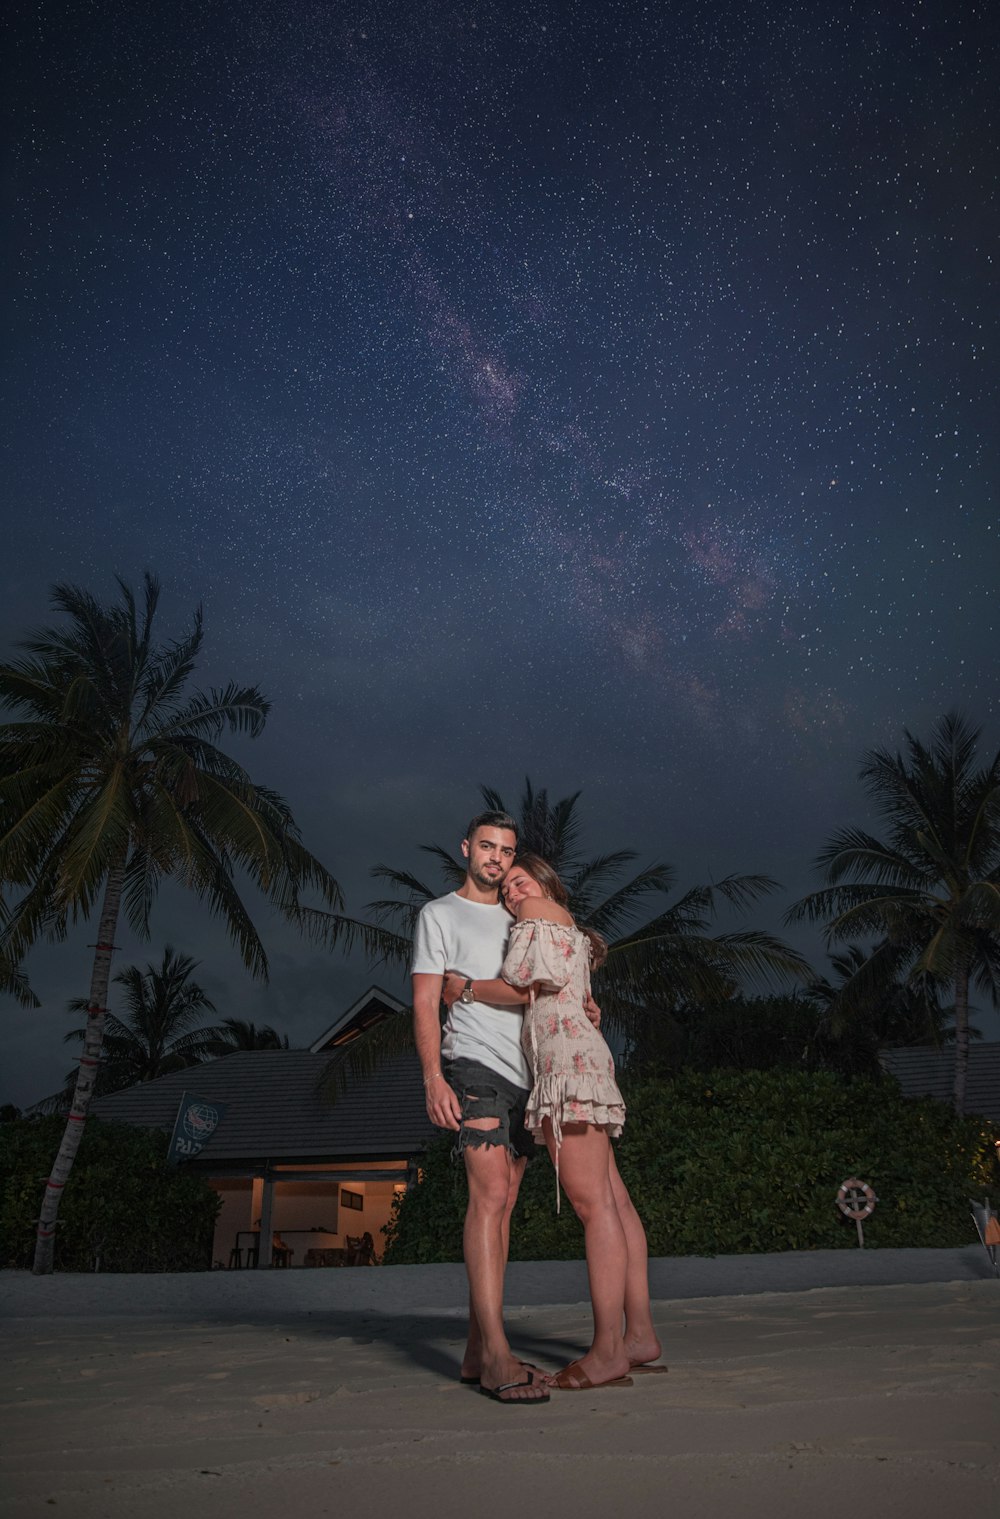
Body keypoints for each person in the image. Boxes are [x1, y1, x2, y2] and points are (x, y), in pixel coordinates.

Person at [442, 853, 664, 1392]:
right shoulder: (563, 931)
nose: (513, 892)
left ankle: (609, 1350)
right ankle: (639, 1336)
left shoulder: (539, 914)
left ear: (546, 888)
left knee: (593, 1206)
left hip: (567, 1067)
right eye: (509, 887)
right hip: (581, 1058)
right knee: (615, 1201)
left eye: (522, 881)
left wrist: (463, 989)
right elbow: (559, 994)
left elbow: (520, 988)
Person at [411, 811, 549, 1405]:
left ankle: (474, 1348)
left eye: (506, 850)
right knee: (488, 1197)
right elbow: (423, 1000)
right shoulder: (438, 914)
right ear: (466, 847)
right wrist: (431, 1077)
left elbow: (541, 985)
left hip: (529, 1074)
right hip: (472, 1065)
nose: (496, 857)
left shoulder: (522, 915)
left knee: (506, 1205)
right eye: (487, 846)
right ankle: (496, 1354)